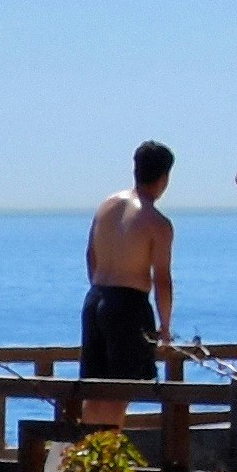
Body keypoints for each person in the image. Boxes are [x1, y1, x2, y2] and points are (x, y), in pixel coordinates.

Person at [79, 144, 180, 406]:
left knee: (94, 392)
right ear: (164, 178)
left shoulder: (106, 206)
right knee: (121, 394)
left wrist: (101, 291)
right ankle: (109, 444)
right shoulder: (157, 223)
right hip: (128, 305)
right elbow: (162, 280)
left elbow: (90, 254)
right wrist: (166, 328)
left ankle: (90, 446)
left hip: (95, 299)